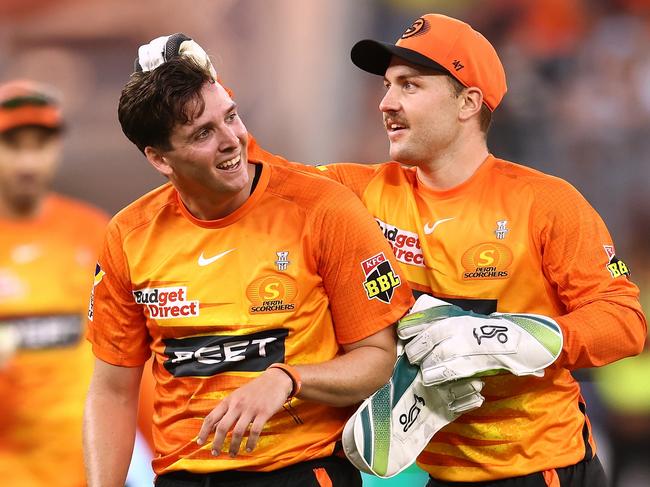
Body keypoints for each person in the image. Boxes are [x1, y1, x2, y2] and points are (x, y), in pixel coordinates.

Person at [153, 12, 647, 486]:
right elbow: (260, 168)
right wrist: (209, 87)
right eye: (387, 86)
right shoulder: (360, 191)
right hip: (439, 475)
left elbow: (625, 322)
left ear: (468, 102)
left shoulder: (544, 200)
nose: (386, 102)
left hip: (545, 471)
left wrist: (514, 338)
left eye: (410, 85)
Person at [82, 53, 414, 487]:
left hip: (301, 470)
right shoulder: (128, 234)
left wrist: (288, 379)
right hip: (181, 475)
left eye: (231, 117)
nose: (232, 139)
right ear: (160, 159)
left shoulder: (323, 208)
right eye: (203, 133)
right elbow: (112, 390)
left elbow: (378, 360)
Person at [0, 80, 109, 486]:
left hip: (79, 469)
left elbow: (127, 354)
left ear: (57, 148)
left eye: (40, 145)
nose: (28, 162)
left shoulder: (93, 232)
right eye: (14, 146)